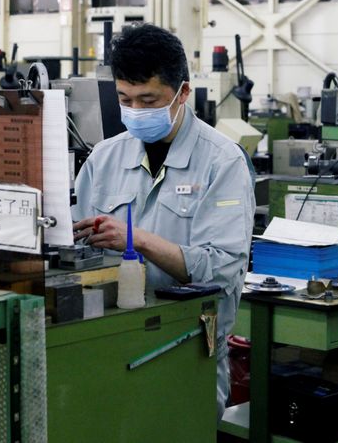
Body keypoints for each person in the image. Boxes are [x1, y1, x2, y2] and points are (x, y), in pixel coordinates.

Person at [71, 23, 255, 422]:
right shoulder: (103, 159)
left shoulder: (222, 163)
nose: (135, 111)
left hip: (187, 350)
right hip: (108, 345)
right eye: (125, 99)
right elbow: (73, 247)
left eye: (148, 100)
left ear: (183, 92)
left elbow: (221, 272)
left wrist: (136, 239)